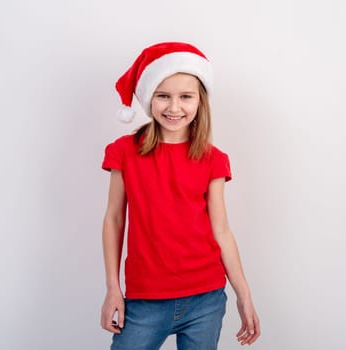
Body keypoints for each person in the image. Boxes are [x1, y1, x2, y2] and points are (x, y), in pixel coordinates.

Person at [100, 42, 260, 349]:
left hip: (206, 299)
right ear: (149, 98)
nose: (174, 108)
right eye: (163, 96)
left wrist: (244, 295)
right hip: (145, 301)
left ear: (200, 100)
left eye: (185, 97)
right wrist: (112, 288)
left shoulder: (213, 159)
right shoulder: (124, 152)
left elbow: (221, 231)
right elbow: (114, 219)